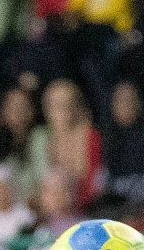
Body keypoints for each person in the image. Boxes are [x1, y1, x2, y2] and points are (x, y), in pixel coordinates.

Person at [37, 78, 103, 209]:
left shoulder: (90, 135)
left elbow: (95, 180)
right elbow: (40, 183)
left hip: (86, 208)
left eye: (68, 104)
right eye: (56, 105)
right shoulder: (41, 137)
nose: (63, 111)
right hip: (51, 210)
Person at [99, 79, 144, 212]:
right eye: (120, 100)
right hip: (112, 205)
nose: (125, 105)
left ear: (140, 103)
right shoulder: (103, 136)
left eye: (130, 99)